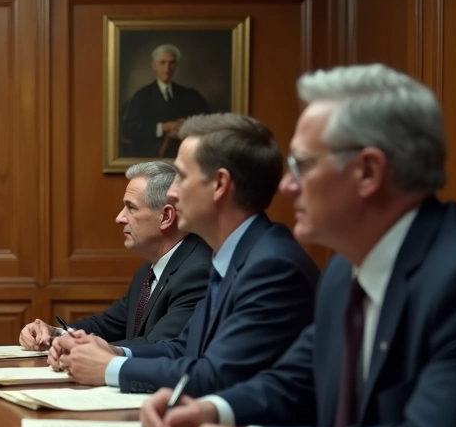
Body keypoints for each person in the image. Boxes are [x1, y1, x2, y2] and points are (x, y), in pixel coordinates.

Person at [140, 64, 456, 427]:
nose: (286, 187)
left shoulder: (451, 275)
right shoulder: (340, 274)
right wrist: (208, 410)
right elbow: (292, 383)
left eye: (303, 166)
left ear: (368, 172)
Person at [55, 113, 319, 395]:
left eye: (180, 176)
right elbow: (185, 347)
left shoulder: (272, 266)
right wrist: (113, 352)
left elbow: (219, 375)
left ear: (219, 184)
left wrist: (109, 368)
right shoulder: (233, 255)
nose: (171, 192)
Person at [19, 161, 211, 352]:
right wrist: (56, 334)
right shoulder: (149, 270)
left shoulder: (197, 273)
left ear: (166, 216)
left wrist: (78, 348)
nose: (119, 218)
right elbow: (107, 325)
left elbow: (160, 346)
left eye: (131, 207)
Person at [119, 45, 211, 158]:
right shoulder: (141, 96)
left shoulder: (190, 94)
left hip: (185, 156)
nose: (167, 68)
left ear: (176, 66)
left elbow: (207, 120)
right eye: (162, 63)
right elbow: (129, 129)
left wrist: (188, 123)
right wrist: (162, 127)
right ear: (154, 66)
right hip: (151, 157)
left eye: (171, 63)